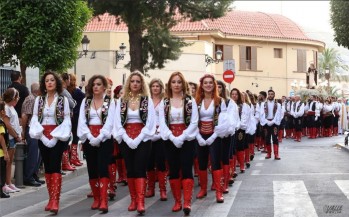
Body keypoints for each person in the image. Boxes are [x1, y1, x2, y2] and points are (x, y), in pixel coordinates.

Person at [113, 71, 156, 215]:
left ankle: (141, 201)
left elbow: (150, 122)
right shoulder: (122, 101)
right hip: (126, 138)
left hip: (142, 138)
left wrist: (138, 138)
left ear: (142, 84)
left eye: (138, 81)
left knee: (140, 168)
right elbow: (117, 122)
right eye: (133, 81)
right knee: (130, 169)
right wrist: (126, 138)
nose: (135, 84)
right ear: (129, 83)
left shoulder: (146, 100)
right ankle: (133, 199)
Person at [29, 71, 71, 214]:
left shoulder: (62, 100)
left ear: (56, 83)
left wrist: (55, 136)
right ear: (44, 84)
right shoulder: (39, 100)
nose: (50, 82)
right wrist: (40, 134)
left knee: (55, 166)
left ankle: (55, 201)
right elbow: (34, 117)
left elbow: (66, 119)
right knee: (47, 167)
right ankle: (50, 198)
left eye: (52, 80)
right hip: (42, 136)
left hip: (57, 136)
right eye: (47, 80)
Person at [159, 71, 198, 215]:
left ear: (183, 84)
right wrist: (172, 137)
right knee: (174, 170)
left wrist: (182, 137)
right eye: (174, 82)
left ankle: (187, 202)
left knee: (187, 168)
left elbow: (194, 122)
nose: (176, 84)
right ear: (170, 84)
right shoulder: (165, 101)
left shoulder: (190, 100)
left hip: (187, 139)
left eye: (179, 82)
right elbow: (162, 123)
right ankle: (177, 201)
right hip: (169, 140)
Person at [77, 75, 115, 213]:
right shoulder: (86, 102)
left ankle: (104, 199)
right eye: (94, 84)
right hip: (89, 137)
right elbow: (82, 120)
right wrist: (88, 136)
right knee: (92, 168)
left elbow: (111, 122)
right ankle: (97, 198)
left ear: (104, 86)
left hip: (104, 138)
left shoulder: (110, 102)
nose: (96, 87)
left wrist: (100, 137)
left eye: (99, 84)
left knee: (102, 166)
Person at [195, 74, 227, 203]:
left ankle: (219, 192)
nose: (208, 85)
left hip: (215, 135)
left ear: (214, 85)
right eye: (205, 83)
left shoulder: (220, 101)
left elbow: (223, 121)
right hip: (200, 134)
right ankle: (203, 189)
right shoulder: (196, 101)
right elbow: (192, 121)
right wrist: (198, 136)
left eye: (210, 83)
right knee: (201, 163)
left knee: (215, 162)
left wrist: (214, 136)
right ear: (201, 86)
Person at [145, 78, 168, 201]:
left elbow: (166, 119)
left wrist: (160, 132)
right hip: (148, 134)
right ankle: (151, 188)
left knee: (160, 162)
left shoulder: (165, 101)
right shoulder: (146, 101)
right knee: (149, 162)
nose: (155, 88)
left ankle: (163, 190)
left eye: (157, 86)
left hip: (161, 134)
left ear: (161, 88)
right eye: (153, 86)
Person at [22, 82, 44, 187]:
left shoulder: (37, 99)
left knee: (38, 155)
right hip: (31, 130)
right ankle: (28, 177)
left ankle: (34, 175)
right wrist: (23, 131)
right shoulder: (31, 99)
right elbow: (25, 116)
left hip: (37, 130)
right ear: (37, 90)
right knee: (33, 154)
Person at [1, 88, 22, 194]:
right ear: (13, 97)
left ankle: (9, 182)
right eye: (17, 97)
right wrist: (16, 135)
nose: (18, 99)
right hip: (10, 137)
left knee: (10, 162)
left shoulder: (11, 107)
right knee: (7, 162)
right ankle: (5, 183)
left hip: (13, 137)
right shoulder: (6, 107)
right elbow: (8, 125)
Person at [67, 73, 85, 167]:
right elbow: (85, 97)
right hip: (76, 116)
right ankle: (74, 157)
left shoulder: (65, 91)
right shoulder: (77, 91)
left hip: (68, 117)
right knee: (75, 137)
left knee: (67, 137)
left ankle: (67, 159)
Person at [230, 88, 250, 173]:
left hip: (240, 129)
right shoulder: (228, 104)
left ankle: (242, 165)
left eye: (236, 94)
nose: (234, 96)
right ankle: (233, 168)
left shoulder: (244, 106)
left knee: (240, 147)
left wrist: (238, 126)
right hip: (230, 129)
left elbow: (244, 118)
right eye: (232, 94)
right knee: (232, 148)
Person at [259, 89, 282, 159]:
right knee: (267, 138)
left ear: (274, 95)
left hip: (274, 123)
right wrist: (266, 121)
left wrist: (273, 121)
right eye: (269, 94)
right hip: (266, 122)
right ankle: (269, 153)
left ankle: (276, 154)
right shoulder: (263, 104)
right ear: (267, 95)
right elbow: (261, 114)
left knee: (275, 138)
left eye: (272, 94)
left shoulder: (278, 104)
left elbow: (279, 114)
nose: (270, 95)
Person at [61, 73, 77, 172]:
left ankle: (66, 162)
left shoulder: (64, 91)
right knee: (65, 141)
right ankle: (65, 163)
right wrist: (74, 102)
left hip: (65, 117)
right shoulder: (63, 91)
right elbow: (72, 103)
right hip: (65, 118)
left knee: (67, 140)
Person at [112, 85, 127, 186]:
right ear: (117, 95)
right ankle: (120, 175)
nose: (122, 95)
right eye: (121, 93)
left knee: (124, 154)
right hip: (115, 131)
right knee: (117, 155)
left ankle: (125, 175)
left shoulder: (125, 103)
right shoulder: (114, 103)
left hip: (125, 131)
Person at [0, 100, 10, 198]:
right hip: (0, 153)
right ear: (2, 112)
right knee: (1, 173)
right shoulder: (1, 123)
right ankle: (0, 191)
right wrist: (6, 152)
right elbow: (1, 137)